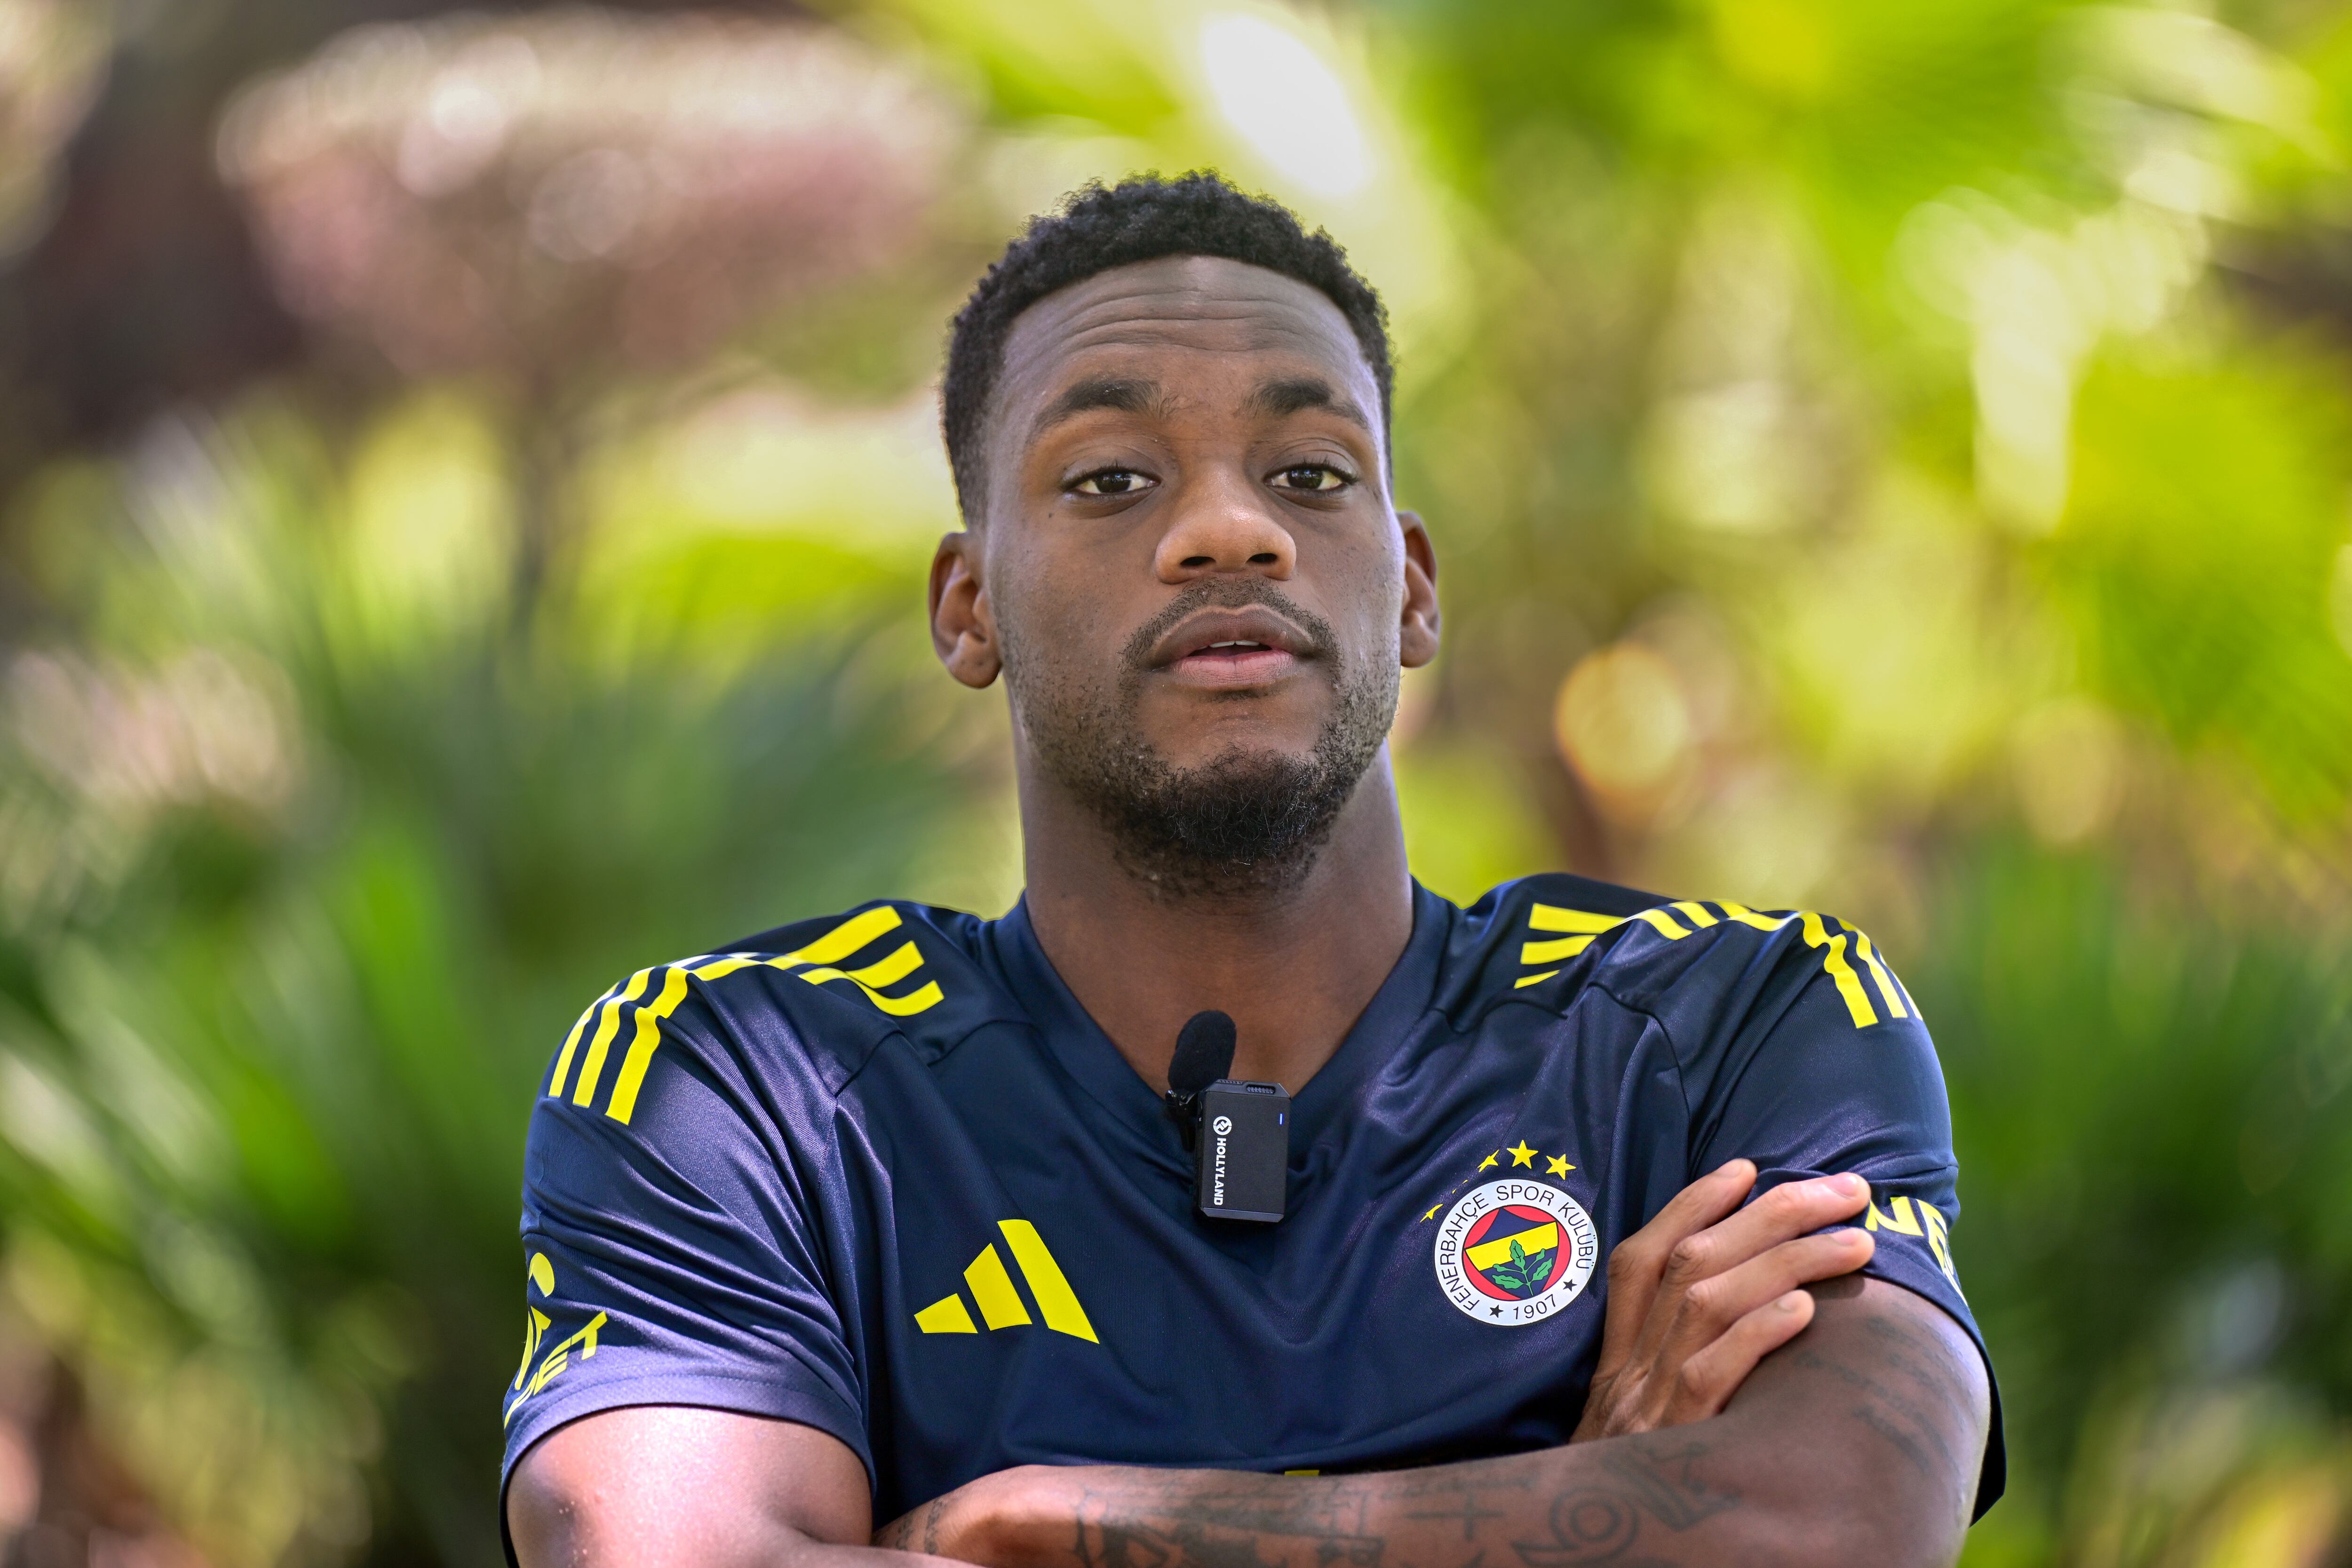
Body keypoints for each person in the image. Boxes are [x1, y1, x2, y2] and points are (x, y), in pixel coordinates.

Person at [500, 173, 2000, 1568]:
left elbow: (1843, 1520)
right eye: (1109, 480)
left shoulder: (1731, 1020)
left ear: (1411, 587)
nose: (1231, 529)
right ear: (969, 608)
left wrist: (1047, 1521)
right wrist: (1596, 1502)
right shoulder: (741, 1082)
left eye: (1310, 471)